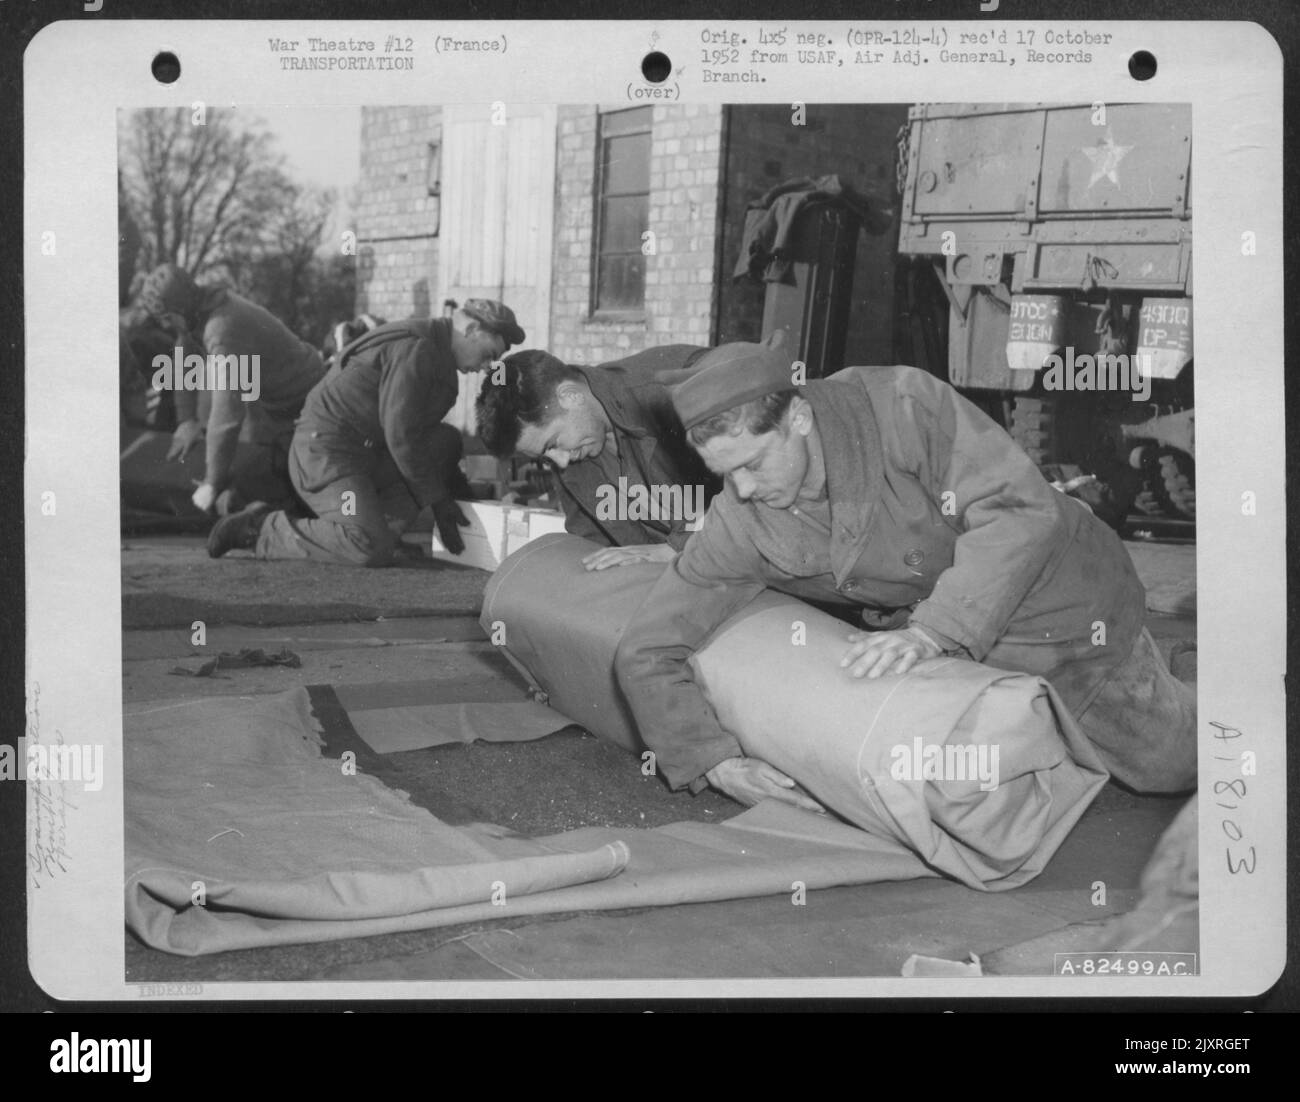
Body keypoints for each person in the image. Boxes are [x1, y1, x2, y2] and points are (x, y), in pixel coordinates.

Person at [615, 334, 1197, 806]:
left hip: (1062, 610)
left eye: (753, 464)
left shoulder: (903, 408)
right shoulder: (740, 518)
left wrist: (932, 632)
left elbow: (1020, 511)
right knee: (975, 791)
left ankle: (1215, 692)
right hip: (956, 648)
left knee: (1166, 766)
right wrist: (709, 758)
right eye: (724, 474)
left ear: (797, 417)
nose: (741, 490)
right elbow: (647, 649)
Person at [207, 300, 524, 566]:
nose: (488, 367)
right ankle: (260, 528)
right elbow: (402, 437)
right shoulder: (419, 349)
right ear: (470, 330)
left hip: (363, 455)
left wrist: (465, 503)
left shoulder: (435, 350)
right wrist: (439, 500)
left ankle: (382, 530)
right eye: (489, 354)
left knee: (446, 443)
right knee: (367, 546)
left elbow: (421, 440)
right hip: (326, 454)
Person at [476, 345, 717, 570]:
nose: (561, 462)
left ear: (570, 395)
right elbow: (590, 544)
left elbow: (746, 490)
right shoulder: (573, 452)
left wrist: (675, 549)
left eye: (553, 443)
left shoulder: (676, 387)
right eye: (546, 456)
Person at [134, 264, 329, 515]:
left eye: (168, 319)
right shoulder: (199, 310)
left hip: (308, 401)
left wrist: (211, 482)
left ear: (180, 309)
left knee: (282, 489)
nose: (165, 326)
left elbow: (226, 416)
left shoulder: (222, 327)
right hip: (276, 403)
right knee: (255, 476)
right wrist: (186, 420)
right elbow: (184, 353)